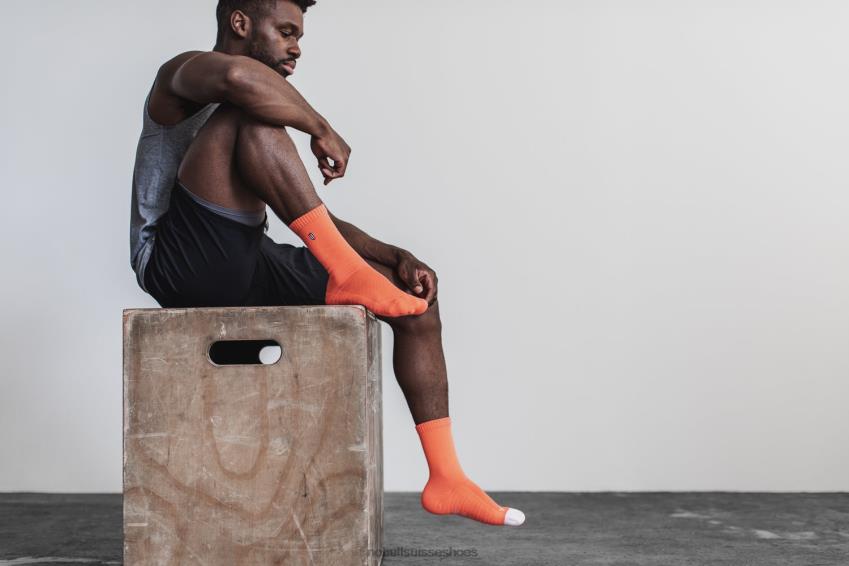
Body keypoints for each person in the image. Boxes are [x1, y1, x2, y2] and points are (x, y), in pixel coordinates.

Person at [128, 0, 524, 527]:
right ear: (240, 23)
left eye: (299, 36)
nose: (296, 47)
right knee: (250, 109)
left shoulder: (258, 127)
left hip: (246, 257)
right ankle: (348, 272)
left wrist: (392, 255)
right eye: (285, 31)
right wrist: (320, 126)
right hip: (175, 264)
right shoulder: (181, 74)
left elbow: (308, 212)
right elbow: (237, 78)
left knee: (412, 297)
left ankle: (447, 476)